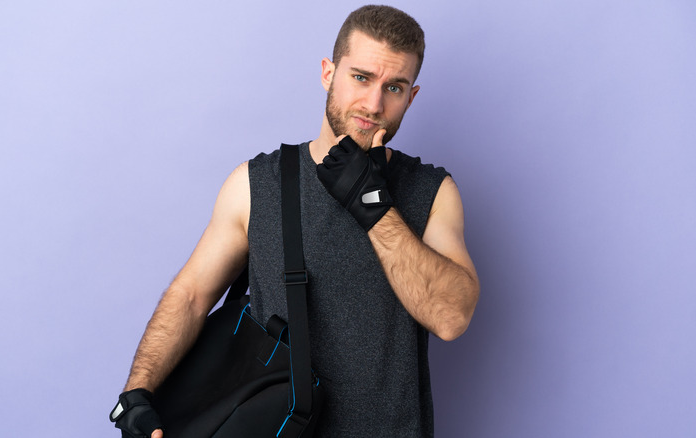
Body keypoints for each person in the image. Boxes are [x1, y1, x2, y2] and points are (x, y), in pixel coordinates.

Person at [111, 5, 479, 437]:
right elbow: (192, 294)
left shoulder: (431, 191)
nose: (374, 104)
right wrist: (137, 393)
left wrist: (374, 207)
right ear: (328, 73)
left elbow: (451, 318)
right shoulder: (257, 184)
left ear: (411, 97)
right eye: (360, 77)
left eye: (394, 87)